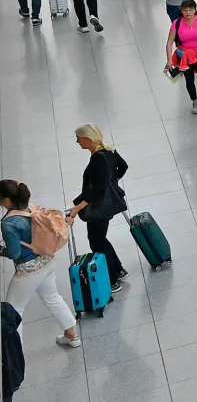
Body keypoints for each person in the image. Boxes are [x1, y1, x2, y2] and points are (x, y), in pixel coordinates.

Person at [0, 180, 80, 349]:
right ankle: (72, 336)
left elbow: (15, 253)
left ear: (6, 200)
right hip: (47, 260)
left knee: (13, 312)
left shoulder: (8, 223)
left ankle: (15, 356)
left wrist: (1, 250)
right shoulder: (30, 207)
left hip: (29, 270)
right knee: (53, 298)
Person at [66, 125, 128, 292]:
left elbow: (97, 190)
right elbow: (123, 166)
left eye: (78, 138)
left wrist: (78, 207)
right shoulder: (109, 150)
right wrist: (112, 181)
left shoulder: (98, 158)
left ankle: (113, 279)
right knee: (100, 238)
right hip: (107, 204)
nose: (77, 141)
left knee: (97, 242)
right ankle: (118, 269)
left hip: (99, 207)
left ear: (88, 139)